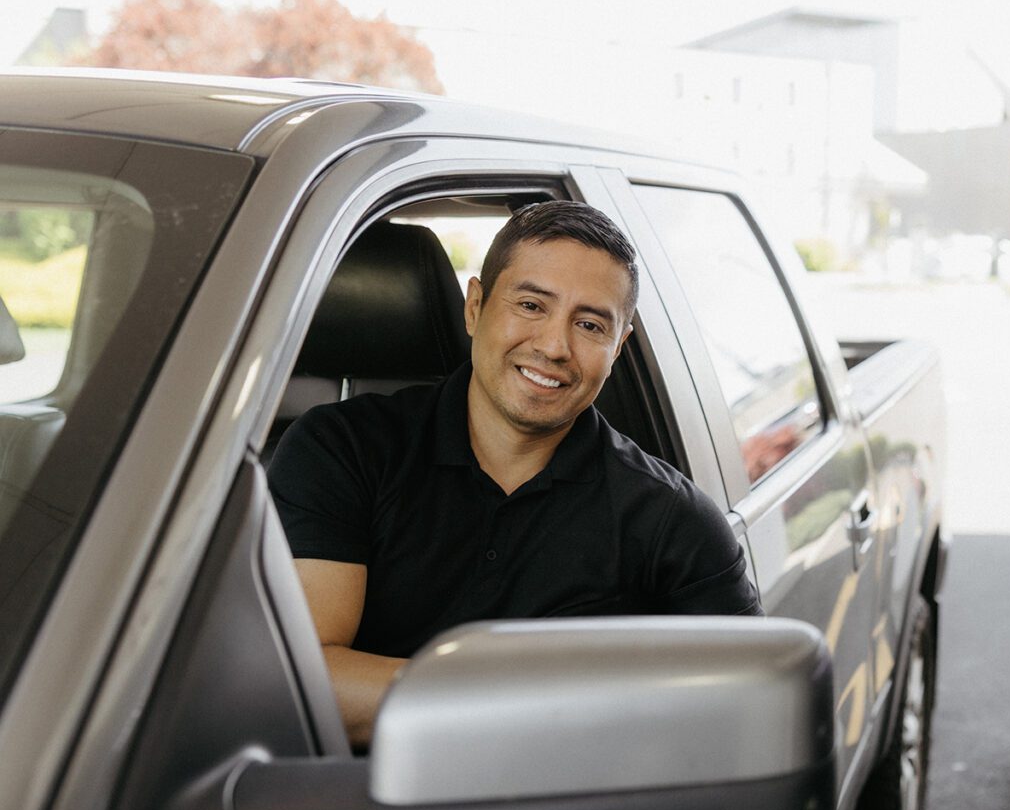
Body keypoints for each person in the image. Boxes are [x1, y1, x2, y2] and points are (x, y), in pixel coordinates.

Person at [269, 201, 762, 748]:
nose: (554, 346)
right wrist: (554, 702)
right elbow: (303, 682)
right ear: (475, 307)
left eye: (590, 324)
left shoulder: (674, 522)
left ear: (618, 346)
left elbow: (743, 726)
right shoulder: (342, 449)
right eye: (531, 305)